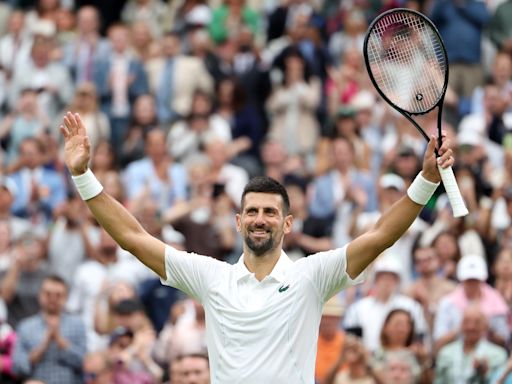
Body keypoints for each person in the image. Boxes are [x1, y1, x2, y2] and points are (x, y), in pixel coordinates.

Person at [59, 111, 454, 383]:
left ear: (287, 223)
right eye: (251, 212)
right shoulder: (212, 277)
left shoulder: (310, 276)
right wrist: (82, 176)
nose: (259, 218)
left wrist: (425, 180)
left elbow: (381, 234)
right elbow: (133, 237)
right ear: (238, 221)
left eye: (269, 211)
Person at [12, 275, 87, 384]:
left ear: (66, 297)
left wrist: (59, 340)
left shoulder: (77, 324)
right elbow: (17, 368)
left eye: (58, 295)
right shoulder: (26, 327)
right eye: (48, 294)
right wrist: (43, 345)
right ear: (39, 295)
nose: (53, 299)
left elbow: (83, 363)